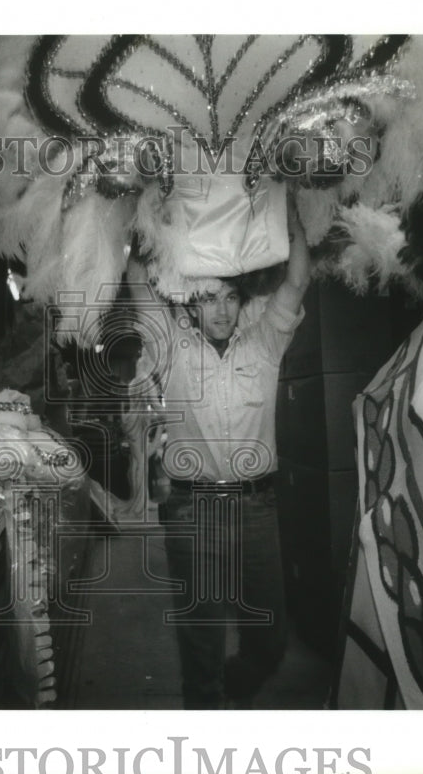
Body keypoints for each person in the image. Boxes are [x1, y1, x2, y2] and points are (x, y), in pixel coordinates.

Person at [122, 211, 311, 708]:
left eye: (229, 297)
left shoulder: (266, 344)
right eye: (208, 299)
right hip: (192, 512)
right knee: (201, 649)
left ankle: (232, 695)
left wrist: (286, 212)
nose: (222, 311)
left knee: (270, 644)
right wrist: (145, 213)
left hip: (256, 510)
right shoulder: (172, 348)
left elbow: (297, 278)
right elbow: (139, 283)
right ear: (191, 303)